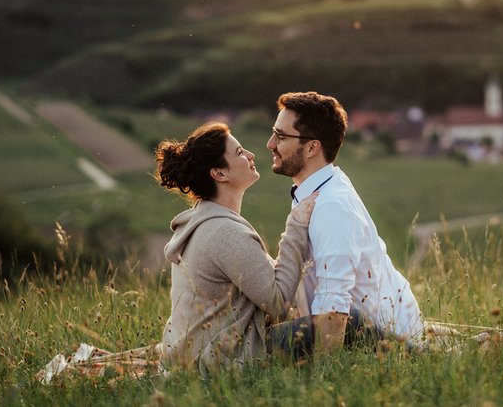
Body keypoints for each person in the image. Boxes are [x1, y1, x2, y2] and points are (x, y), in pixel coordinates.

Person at [267, 91, 425, 353]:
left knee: (254, 351)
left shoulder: (331, 206)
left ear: (311, 148)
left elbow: (334, 309)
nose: (270, 143)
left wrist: (322, 381)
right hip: (358, 331)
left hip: (386, 343)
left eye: (281, 136)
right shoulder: (314, 190)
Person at [155, 121, 317, 373]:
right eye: (240, 153)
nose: (251, 155)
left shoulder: (205, 221)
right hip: (226, 362)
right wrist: (297, 225)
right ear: (219, 174)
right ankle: (400, 353)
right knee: (351, 321)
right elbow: (278, 305)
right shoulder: (226, 233)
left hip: (197, 357)